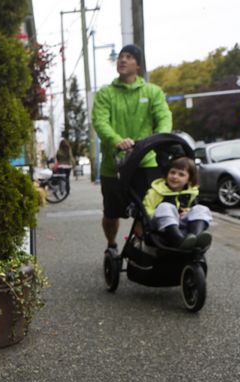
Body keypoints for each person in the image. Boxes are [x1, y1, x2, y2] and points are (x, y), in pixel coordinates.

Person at [92, 44, 173, 252]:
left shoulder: (152, 92)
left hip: (145, 162)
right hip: (115, 166)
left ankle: (137, 244)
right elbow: (100, 122)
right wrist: (117, 140)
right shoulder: (106, 93)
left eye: (128, 57)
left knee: (145, 210)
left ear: (137, 64)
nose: (123, 60)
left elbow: (163, 117)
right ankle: (111, 244)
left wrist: (160, 138)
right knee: (111, 214)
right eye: (120, 57)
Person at [142, 156, 212, 249]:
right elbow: (146, 210)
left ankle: (196, 236)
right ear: (167, 173)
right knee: (165, 207)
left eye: (181, 174)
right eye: (172, 172)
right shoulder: (155, 192)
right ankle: (178, 240)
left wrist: (187, 211)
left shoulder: (191, 193)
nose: (175, 176)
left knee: (201, 208)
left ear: (189, 180)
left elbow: (192, 209)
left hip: (180, 223)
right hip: (160, 223)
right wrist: (159, 213)